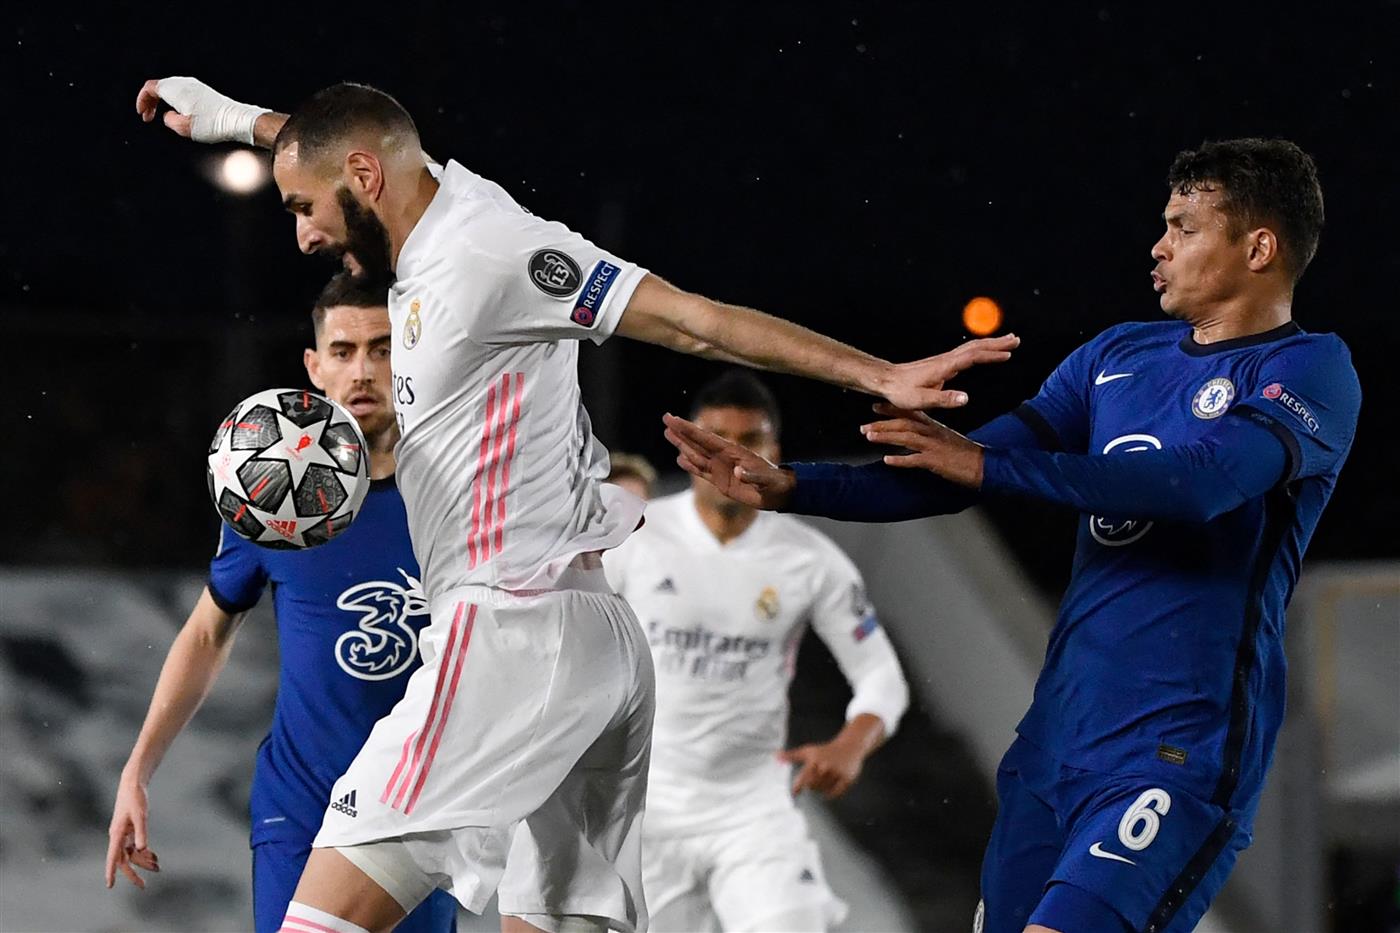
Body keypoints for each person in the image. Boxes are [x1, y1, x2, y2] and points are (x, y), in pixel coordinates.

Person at [134, 76, 1016, 933]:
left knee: (320, 919)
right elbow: (338, 141)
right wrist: (234, 118)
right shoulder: (435, 196)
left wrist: (879, 373)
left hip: (507, 629)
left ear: (363, 181)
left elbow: (691, 319)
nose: (303, 234)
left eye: (302, 209)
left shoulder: (491, 255)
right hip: (595, 644)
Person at [663, 139, 1361, 933]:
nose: (1158, 246)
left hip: (1175, 749)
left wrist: (989, 467)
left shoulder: (1310, 370)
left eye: (1184, 226)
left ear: (1259, 246)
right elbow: (951, 473)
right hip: (1053, 746)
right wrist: (793, 485)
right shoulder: (1114, 357)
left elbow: (1200, 485)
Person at [104, 274, 457, 933]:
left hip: (418, 811)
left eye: (383, 348)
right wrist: (138, 769)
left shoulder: (462, 495)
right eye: (344, 349)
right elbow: (208, 632)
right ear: (313, 365)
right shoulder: (272, 503)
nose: (362, 369)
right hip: (302, 808)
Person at [605, 371, 908, 933]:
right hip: (647, 807)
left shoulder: (810, 560)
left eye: (750, 440)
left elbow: (882, 677)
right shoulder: (635, 541)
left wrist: (851, 743)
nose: (732, 456)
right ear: (689, 444)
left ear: (775, 451)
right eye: (715, 436)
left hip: (752, 808)